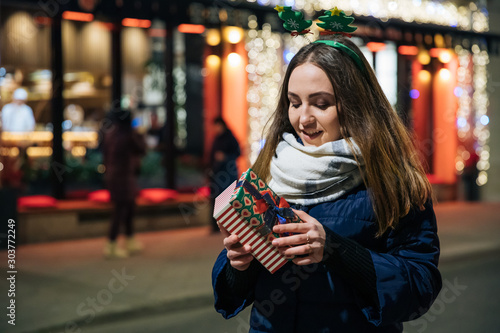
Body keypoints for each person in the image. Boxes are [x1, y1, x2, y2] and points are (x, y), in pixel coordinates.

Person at [212, 35, 442, 332]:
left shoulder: (394, 182)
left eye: (321, 104)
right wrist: (239, 265)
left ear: (357, 105)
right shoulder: (270, 168)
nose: (302, 118)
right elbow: (233, 295)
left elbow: (419, 288)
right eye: (294, 103)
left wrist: (334, 249)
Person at [102, 109, 146, 259]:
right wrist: (139, 133)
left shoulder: (111, 134)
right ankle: (112, 244)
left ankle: (129, 239)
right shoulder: (128, 135)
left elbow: (105, 155)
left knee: (127, 207)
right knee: (121, 210)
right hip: (124, 177)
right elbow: (142, 149)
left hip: (113, 177)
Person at [208, 117, 241, 233]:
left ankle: (231, 226)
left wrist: (225, 157)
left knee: (228, 199)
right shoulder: (216, 139)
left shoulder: (230, 138)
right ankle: (216, 226)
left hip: (227, 175)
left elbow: (238, 153)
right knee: (216, 200)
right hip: (217, 175)